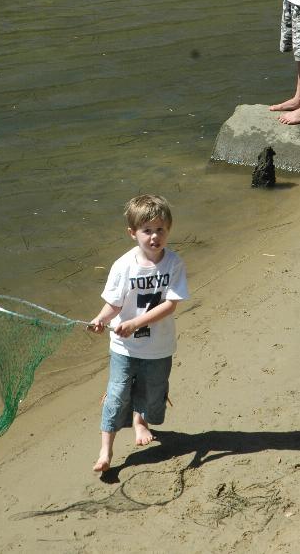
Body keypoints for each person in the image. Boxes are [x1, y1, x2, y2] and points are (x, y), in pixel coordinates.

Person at [89, 194, 189, 473]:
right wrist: (100, 319)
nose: (155, 236)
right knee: (117, 393)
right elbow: (114, 304)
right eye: (147, 230)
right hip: (124, 347)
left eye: (161, 229)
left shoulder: (174, 263)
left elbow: (170, 304)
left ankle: (140, 421)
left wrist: (135, 323)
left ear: (168, 230)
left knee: (151, 389)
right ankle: (106, 451)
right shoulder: (123, 265)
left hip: (159, 346)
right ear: (132, 233)